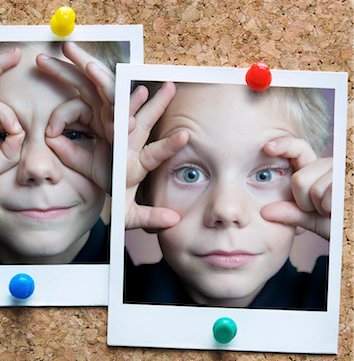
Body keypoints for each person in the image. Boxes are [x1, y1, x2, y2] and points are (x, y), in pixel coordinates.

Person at [124, 81, 332, 310]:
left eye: (265, 175)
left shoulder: (335, 299)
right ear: (143, 191)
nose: (226, 210)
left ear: (307, 191)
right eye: (190, 174)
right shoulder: (113, 290)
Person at [0, 40, 127, 264]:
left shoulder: (159, 288)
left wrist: (131, 185)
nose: (38, 167)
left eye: (74, 134)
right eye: (1, 135)